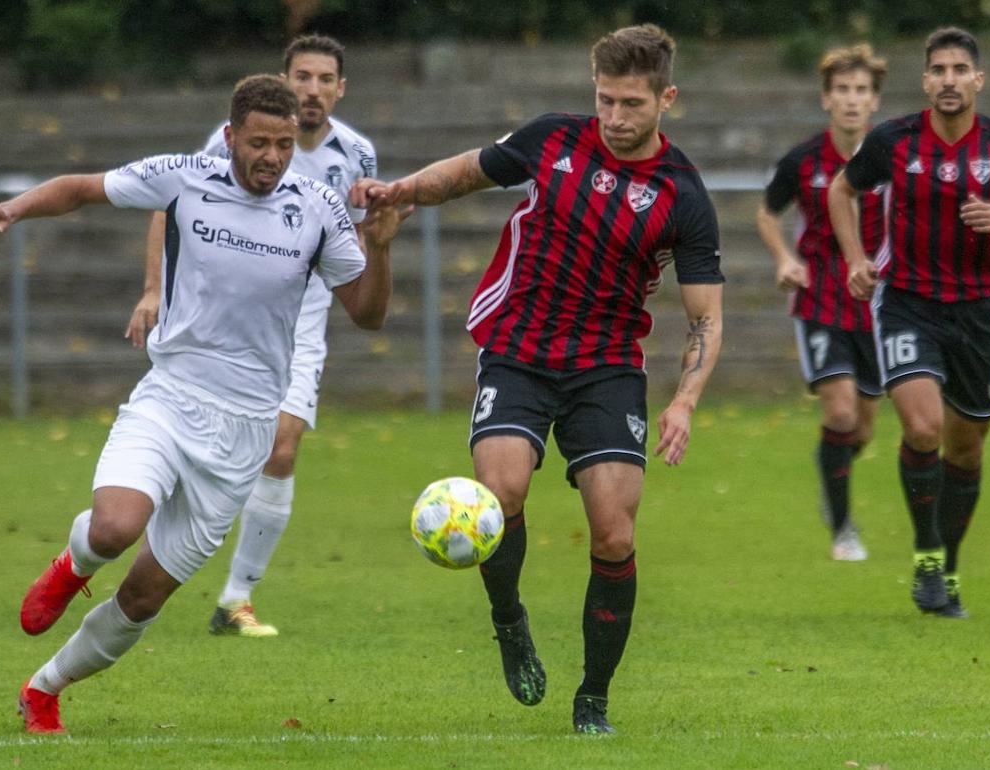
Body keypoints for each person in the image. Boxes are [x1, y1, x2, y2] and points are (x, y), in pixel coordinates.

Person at [0, 74, 405, 733]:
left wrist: (382, 247)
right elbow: (83, 188)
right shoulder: (185, 176)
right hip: (172, 396)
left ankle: (45, 689)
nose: (272, 157)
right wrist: (14, 208)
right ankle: (74, 563)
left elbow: (367, 313)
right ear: (230, 138)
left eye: (283, 144)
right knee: (114, 527)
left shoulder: (316, 206)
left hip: (245, 432)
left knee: (143, 597)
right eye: (258, 143)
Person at [352, 24, 724, 734]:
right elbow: (462, 174)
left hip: (609, 366)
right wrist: (400, 191)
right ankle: (508, 618)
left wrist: (684, 399)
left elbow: (706, 318)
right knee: (502, 491)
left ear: (666, 99)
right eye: (605, 100)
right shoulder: (553, 139)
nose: (615, 118)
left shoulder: (683, 194)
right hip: (518, 348)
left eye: (632, 105)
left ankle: (593, 700)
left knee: (613, 533)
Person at [124, 34, 378, 639]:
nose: (312, 88)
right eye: (302, 77)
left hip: (301, 321)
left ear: (340, 89)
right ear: (285, 82)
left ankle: (236, 600)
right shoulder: (229, 139)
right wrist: (154, 288)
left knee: (282, 450)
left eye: (324, 79)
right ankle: (140, 519)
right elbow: (171, 203)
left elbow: (359, 242)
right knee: (200, 455)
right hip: (221, 320)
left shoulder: (358, 154)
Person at [828, 27, 990, 617]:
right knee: (924, 429)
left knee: (966, 450)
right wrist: (857, 258)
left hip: (976, 312)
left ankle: (947, 567)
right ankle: (926, 553)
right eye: (939, 70)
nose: (949, 79)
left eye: (961, 69)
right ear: (926, 80)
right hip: (906, 301)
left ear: (977, 79)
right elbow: (840, 190)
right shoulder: (894, 140)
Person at [756, 44, 888, 562]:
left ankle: (831, 468)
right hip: (822, 299)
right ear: (826, 99)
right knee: (838, 411)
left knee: (862, 424)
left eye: (861, 91)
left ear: (874, 101)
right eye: (842, 91)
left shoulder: (894, 156)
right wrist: (785, 259)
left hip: (878, 303)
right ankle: (843, 529)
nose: (851, 101)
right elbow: (767, 213)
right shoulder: (804, 160)